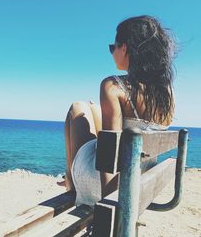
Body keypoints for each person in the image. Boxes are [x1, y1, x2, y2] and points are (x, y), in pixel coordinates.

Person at [58, 15, 176, 207]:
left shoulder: (113, 86)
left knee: (77, 108)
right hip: (141, 180)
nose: (112, 52)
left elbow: (108, 154)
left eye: (113, 47)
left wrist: (109, 205)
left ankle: (71, 182)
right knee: (91, 107)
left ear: (125, 48)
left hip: (109, 186)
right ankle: (70, 179)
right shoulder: (167, 93)